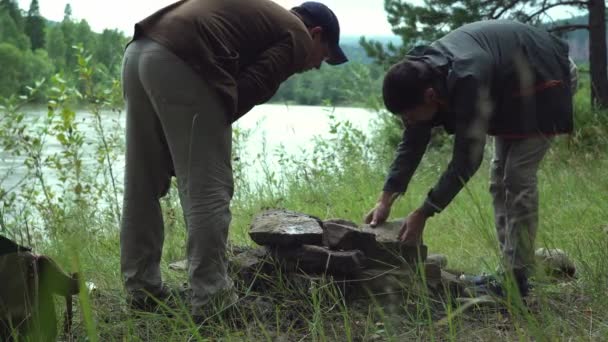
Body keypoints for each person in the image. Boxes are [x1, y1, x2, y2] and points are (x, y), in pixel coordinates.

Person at [120, 0, 348, 317]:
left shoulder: (264, 23)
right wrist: (195, 145)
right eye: (324, 55)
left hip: (140, 50)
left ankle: (141, 290)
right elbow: (249, 90)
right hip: (183, 57)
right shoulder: (297, 33)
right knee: (208, 187)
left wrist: (179, 141)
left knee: (141, 181)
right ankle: (211, 301)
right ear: (316, 33)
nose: (316, 65)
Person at [365, 20, 577, 296]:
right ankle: (510, 272)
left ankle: (517, 280)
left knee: (517, 175)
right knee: (499, 179)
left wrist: (424, 212)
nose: (408, 122)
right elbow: (413, 140)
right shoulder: (419, 76)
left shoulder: (468, 78)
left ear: (430, 96)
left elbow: (467, 160)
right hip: (509, 88)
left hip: (546, 77)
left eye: (409, 115)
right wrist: (386, 198)